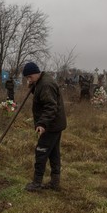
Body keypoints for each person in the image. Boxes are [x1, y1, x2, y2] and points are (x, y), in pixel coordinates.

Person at [22, 62, 67, 192]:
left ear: (36, 73)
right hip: (55, 124)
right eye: (27, 78)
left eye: (30, 77)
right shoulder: (42, 82)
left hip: (50, 125)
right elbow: (42, 97)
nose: (28, 80)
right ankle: (54, 182)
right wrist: (33, 86)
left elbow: (50, 106)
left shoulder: (46, 84)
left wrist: (42, 124)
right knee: (53, 153)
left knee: (41, 151)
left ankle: (36, 183)